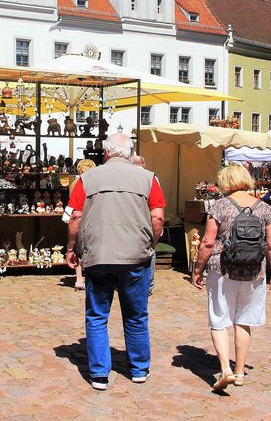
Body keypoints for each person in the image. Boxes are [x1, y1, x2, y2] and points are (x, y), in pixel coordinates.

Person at [65, 133, 165, 390]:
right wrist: (151, 245)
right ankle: (139, 368)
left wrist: (71, 247)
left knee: (97, 315)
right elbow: (157, 218)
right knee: (136, 314)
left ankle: (99, 373)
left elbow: (75, 217)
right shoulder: (149, 178)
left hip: (98, 253)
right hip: (136, 254)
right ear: (130, 153)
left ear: (106, 153)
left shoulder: (86, 178)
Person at [192, 164, 271, 390]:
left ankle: (225, 369)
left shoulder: (220, 206)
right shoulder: (263, 208)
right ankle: (240, 371)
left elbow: (208, 242)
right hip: (254, 270)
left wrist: (198, 269)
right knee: (244, 320)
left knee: (220, 318)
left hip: (223, 268)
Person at [64, 158, 97, 290]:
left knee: (78, 249)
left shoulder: (75, 183)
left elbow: (73, 205)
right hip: (93, 219)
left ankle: (79, 279)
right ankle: (91, 278)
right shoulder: (96, 182)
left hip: (79, 219)